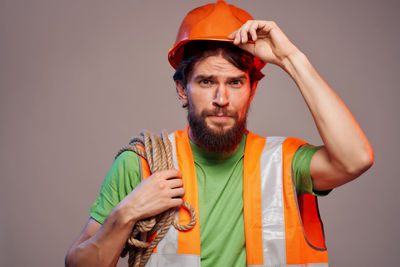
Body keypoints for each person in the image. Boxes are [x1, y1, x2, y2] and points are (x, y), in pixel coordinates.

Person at [65, 1, 374, 266]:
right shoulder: (142, 166)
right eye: (206, 82)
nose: (221, 99)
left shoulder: (285, 164)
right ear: (181, 88)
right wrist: (127, 213)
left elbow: (355, 159)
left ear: (253, 90)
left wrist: (291, 59)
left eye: (236, 83)